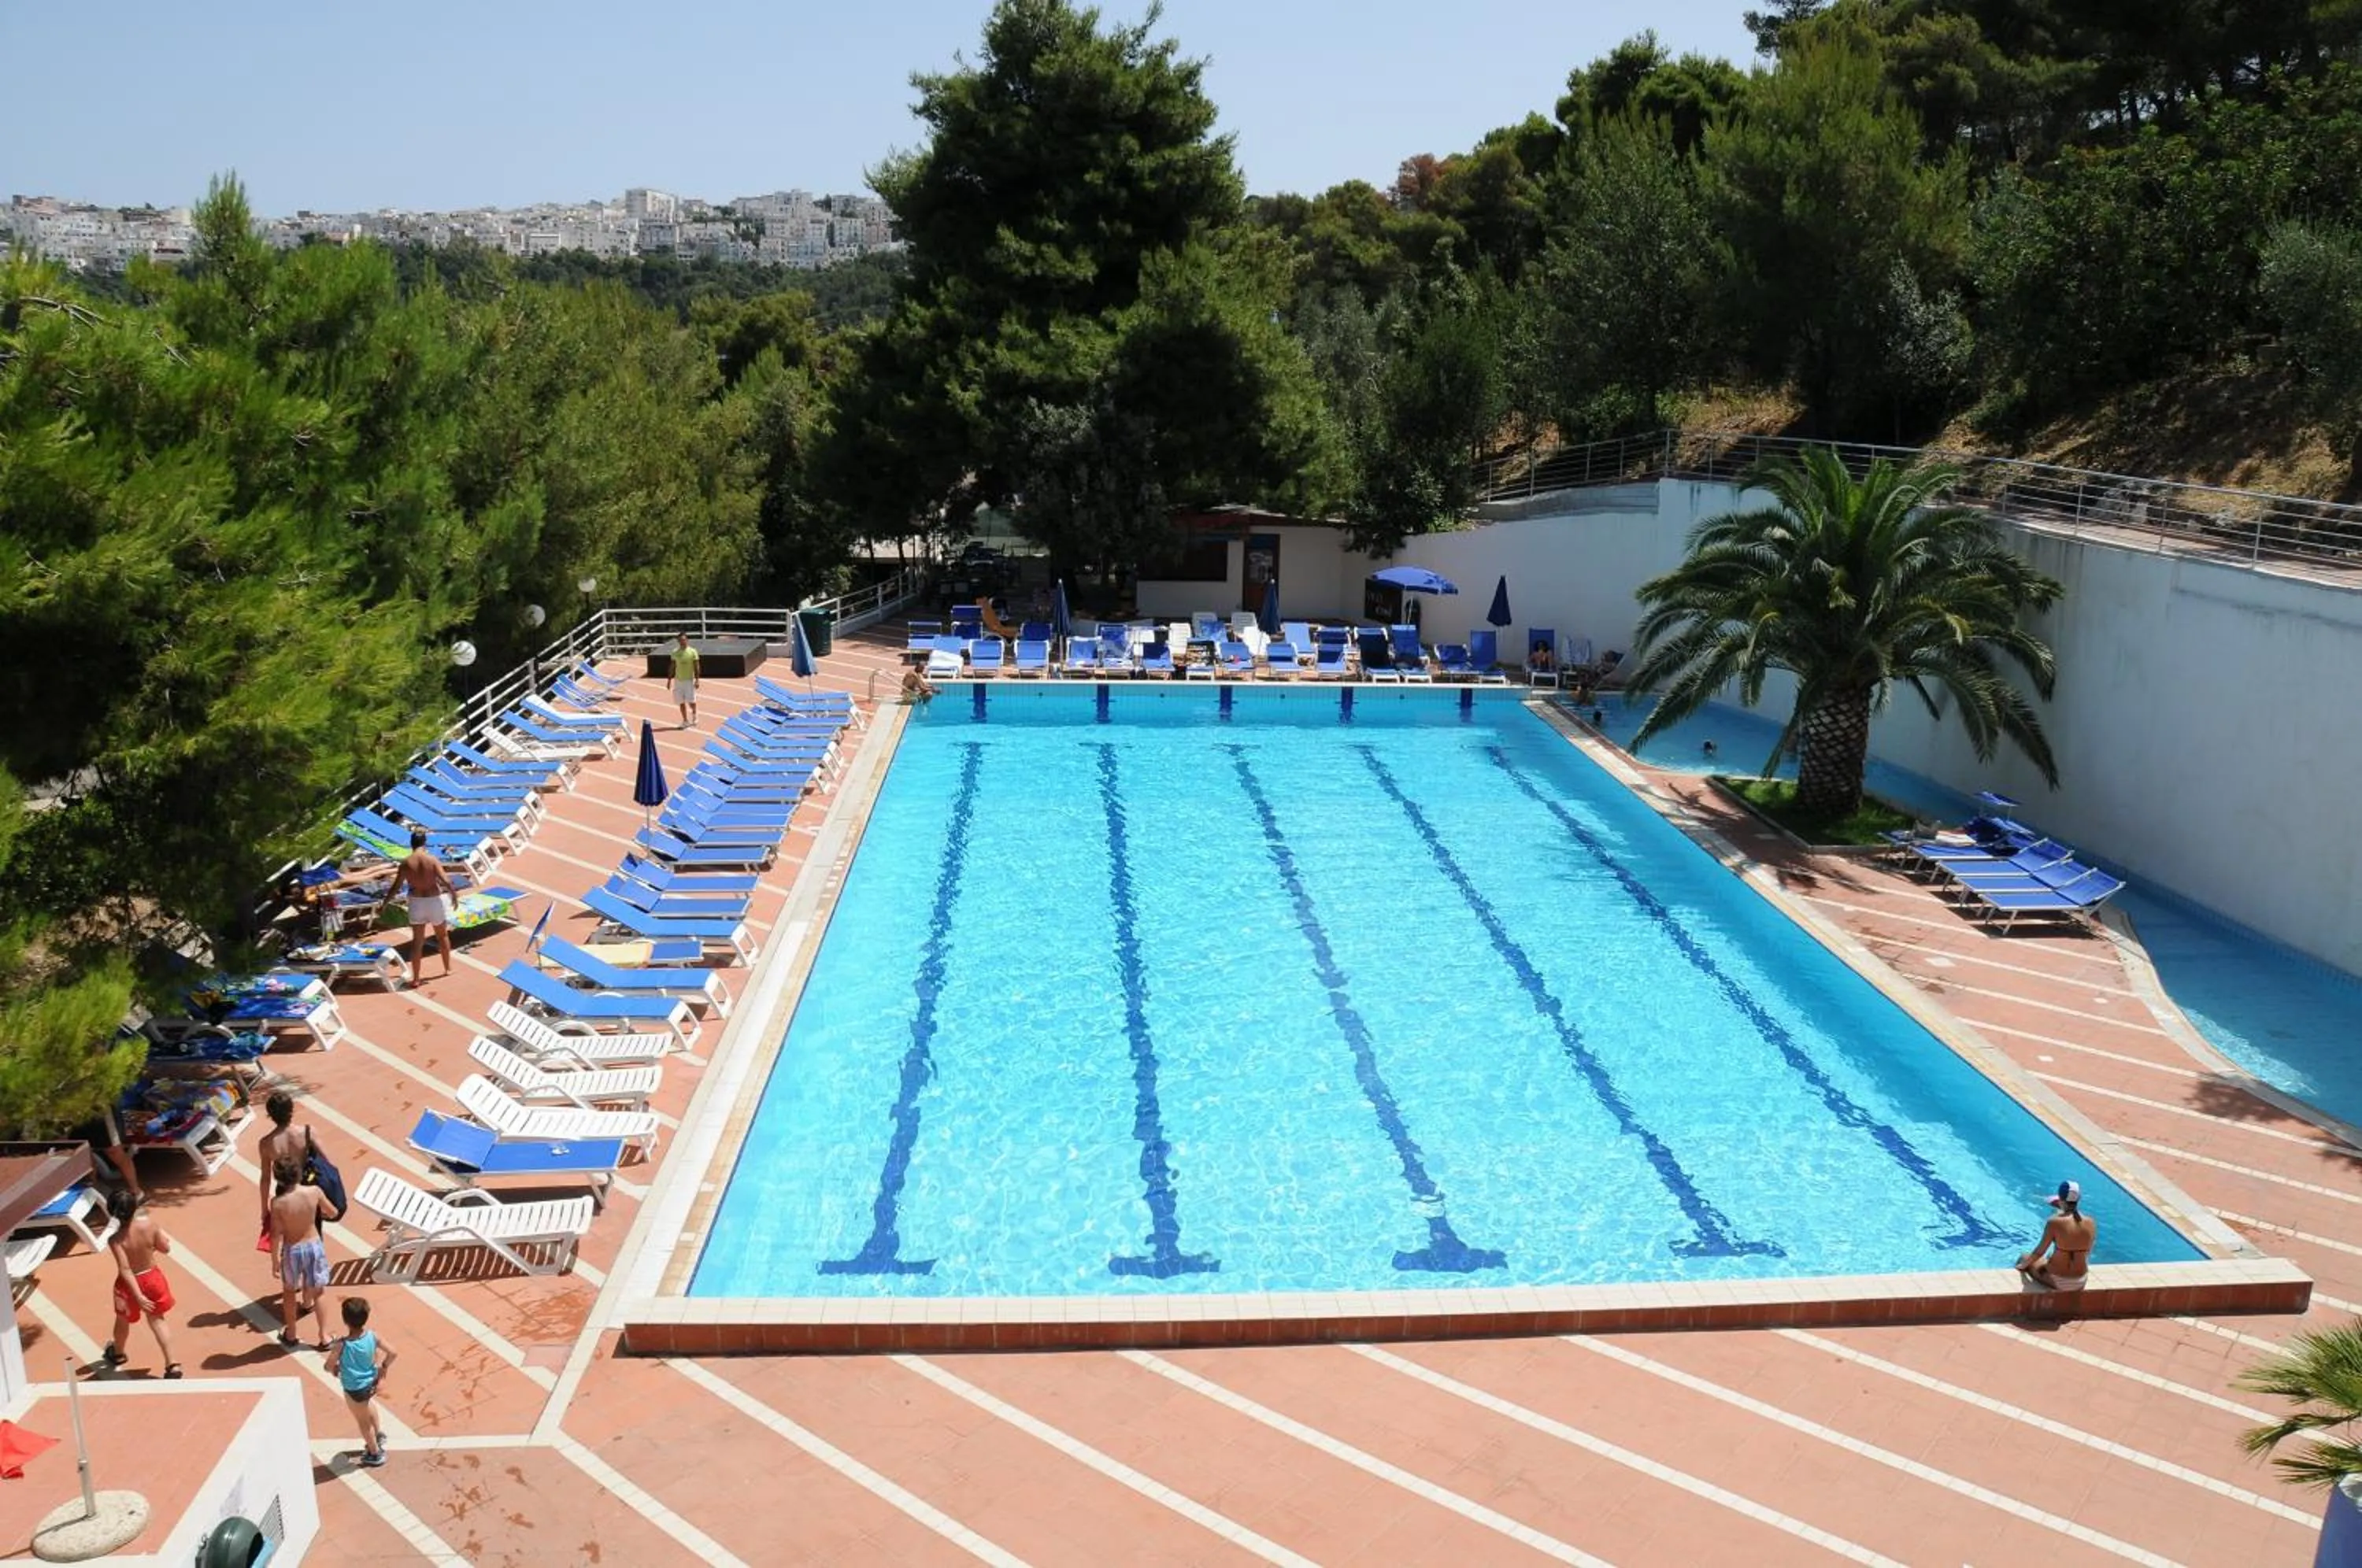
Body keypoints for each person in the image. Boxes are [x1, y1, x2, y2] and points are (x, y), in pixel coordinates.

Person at [101, 1188, 179, 1378]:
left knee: (122, 1320)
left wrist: (138, 1295)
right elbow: (165, 1248)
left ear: (113, 1213)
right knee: (157, 1320)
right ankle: (172, 1365)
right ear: (135, 1207)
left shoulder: (115, 1240)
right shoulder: (150, 1226)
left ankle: (118, 1353)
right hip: (152, 1278)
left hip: (127, 1287)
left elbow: (125, 1269)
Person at [257, 1090, 338, 1267]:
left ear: (270, 1115)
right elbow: (328, 1163)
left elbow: (265, 1178)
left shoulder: (266, 1143)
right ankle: (315, 1266)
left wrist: (264, 1208)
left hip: (284, 1192)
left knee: (287, 1234)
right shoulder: (308, 1132)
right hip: (307, 1187)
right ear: (291, 1110)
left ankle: (291, 1268)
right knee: (313, 1228)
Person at [271, 1159, 335, 1349]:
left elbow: (275, 1234)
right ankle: (324, 1336)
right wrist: (314, 1215)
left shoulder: (277, 1203)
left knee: (289, 1291)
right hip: (314, 1245)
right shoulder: (314, 1192)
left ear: (278, 1179)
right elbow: (332, 1212)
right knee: (319, 1291)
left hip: (292, 1249)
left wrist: (274, 1260)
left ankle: (291, 1333)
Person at [328, 1296, 394, 1468]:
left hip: (354, 1388)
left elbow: (328, 1366)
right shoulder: (373, 1336)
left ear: (345, 1320)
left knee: (363, 1422)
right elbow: (393, 1353)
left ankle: (375, 1453)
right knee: (368, 1405)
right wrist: (384, 1367)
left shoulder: (342, 1345)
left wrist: (335, 1369)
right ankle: (379, 1434)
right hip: (370, 1382)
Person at [394, 828, 457, 987]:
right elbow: (446, 880)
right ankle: (448, 968)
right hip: (434, 901)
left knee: (417, 941)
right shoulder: (432, 859)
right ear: (425, 843)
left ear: (411, 844)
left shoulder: (406, 863)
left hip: (417, 902)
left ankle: (416, 978)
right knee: (442, 936)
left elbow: (396, 886)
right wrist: (454, 896)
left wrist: (385, 902)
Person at [2018, 1179, 2095, 1292]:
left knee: (2024, 1257)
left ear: (2060, 1199)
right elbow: (2087, 1253)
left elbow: (2039, 1252)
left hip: (2058, 1280)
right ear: (2078, 1199)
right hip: (2081, 1280)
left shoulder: (2054, 1222)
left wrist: (2023, 1266)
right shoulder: (2091, 1222)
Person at [74, 1105, 142, 1200]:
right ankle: (92, 1191)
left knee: (114, 1151)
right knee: (83, 1149)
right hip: (75, 1110)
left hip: (101, 1109)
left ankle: (135, 1191)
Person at [670, 632, 701, 728]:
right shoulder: (675, 652)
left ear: (687, 640)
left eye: (683, 640)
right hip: (678, 680)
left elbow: (697, 667)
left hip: (689, 680)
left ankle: (694, 714)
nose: (682, 642)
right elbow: (672, 666)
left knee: (691, 702)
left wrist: (697, 680)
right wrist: (669, 680)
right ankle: (685, 720)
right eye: (680, 640)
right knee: (681, 702)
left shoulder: (693, 652)